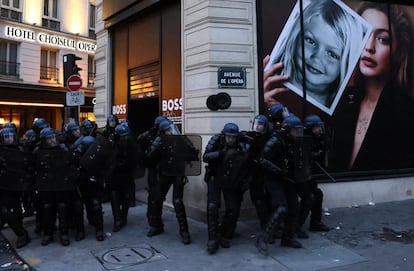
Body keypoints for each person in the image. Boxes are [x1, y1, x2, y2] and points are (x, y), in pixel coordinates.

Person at [330, 3, 414, 171]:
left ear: (399, 51)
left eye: (382, 39)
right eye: (363, 34)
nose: (369, 47)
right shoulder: (339, 101)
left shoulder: (407, 113)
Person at [267, 0, 364, 108]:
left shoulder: (346, 106)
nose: (317, 57)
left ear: (346, 63)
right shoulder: (268, 83)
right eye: (311, 41)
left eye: (332, 54)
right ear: (296, 36)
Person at [203, 123, 249, 254]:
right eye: (229, 137)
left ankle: (225, 233)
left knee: (233, 209)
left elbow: (246, 160)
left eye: (233, 137)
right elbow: (205, 157)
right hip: (215, 177)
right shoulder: (216, 139)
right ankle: (212, 238)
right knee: (212, 206)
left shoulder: (240, 144)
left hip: (231, 179)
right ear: (224, 135)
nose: (231, 140)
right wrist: (220, 153)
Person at [146, 120, 192, 245]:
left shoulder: (181, 139)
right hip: (165, 173)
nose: (171, 132)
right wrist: (158, 145)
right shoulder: (159, 140)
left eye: (171, 129)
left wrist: (185, 153)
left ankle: (184, 231)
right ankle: (157, 226)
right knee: (157, 198)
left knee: (177, 201)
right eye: (167, 130)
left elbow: (193, 152)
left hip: (177, 173)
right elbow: (150, 156)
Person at [0, 127, 31, 248]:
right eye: (6, 137)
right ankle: (21, 232)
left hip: (17, 185)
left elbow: (28, 167)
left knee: (15, 208)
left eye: (11, 137)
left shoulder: (20, 150)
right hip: (3, 185)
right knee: (5, 210)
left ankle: (21, 232)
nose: (9, 139)